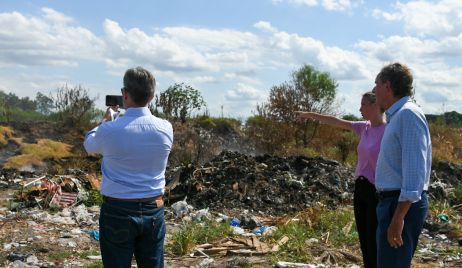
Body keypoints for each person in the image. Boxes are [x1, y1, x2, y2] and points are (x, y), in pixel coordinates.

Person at [84, 67, 173, 268]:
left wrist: (104, 122)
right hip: (153, 209)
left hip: (117, 210)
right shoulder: (165, 128)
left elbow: (90, 145)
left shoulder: (109, 129)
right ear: (152, 96)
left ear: (125, 94)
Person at [295, 91, 386, 268]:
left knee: (374, 238)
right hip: (360, 188)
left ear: (375, 106)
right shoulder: (364, 127)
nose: (359, 108)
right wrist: (309, 114)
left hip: (377, 191)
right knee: (364, 239)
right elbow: (335, 121)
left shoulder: (388, 130)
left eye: (363, 105)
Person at [373, 62, 431, 268]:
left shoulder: (408, 114)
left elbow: (415, 171)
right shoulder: (397, 116)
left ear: (388, 86)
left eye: (376, 84)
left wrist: (398, 217)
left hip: (399, 205)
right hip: (393, 203)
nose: (374, 91)